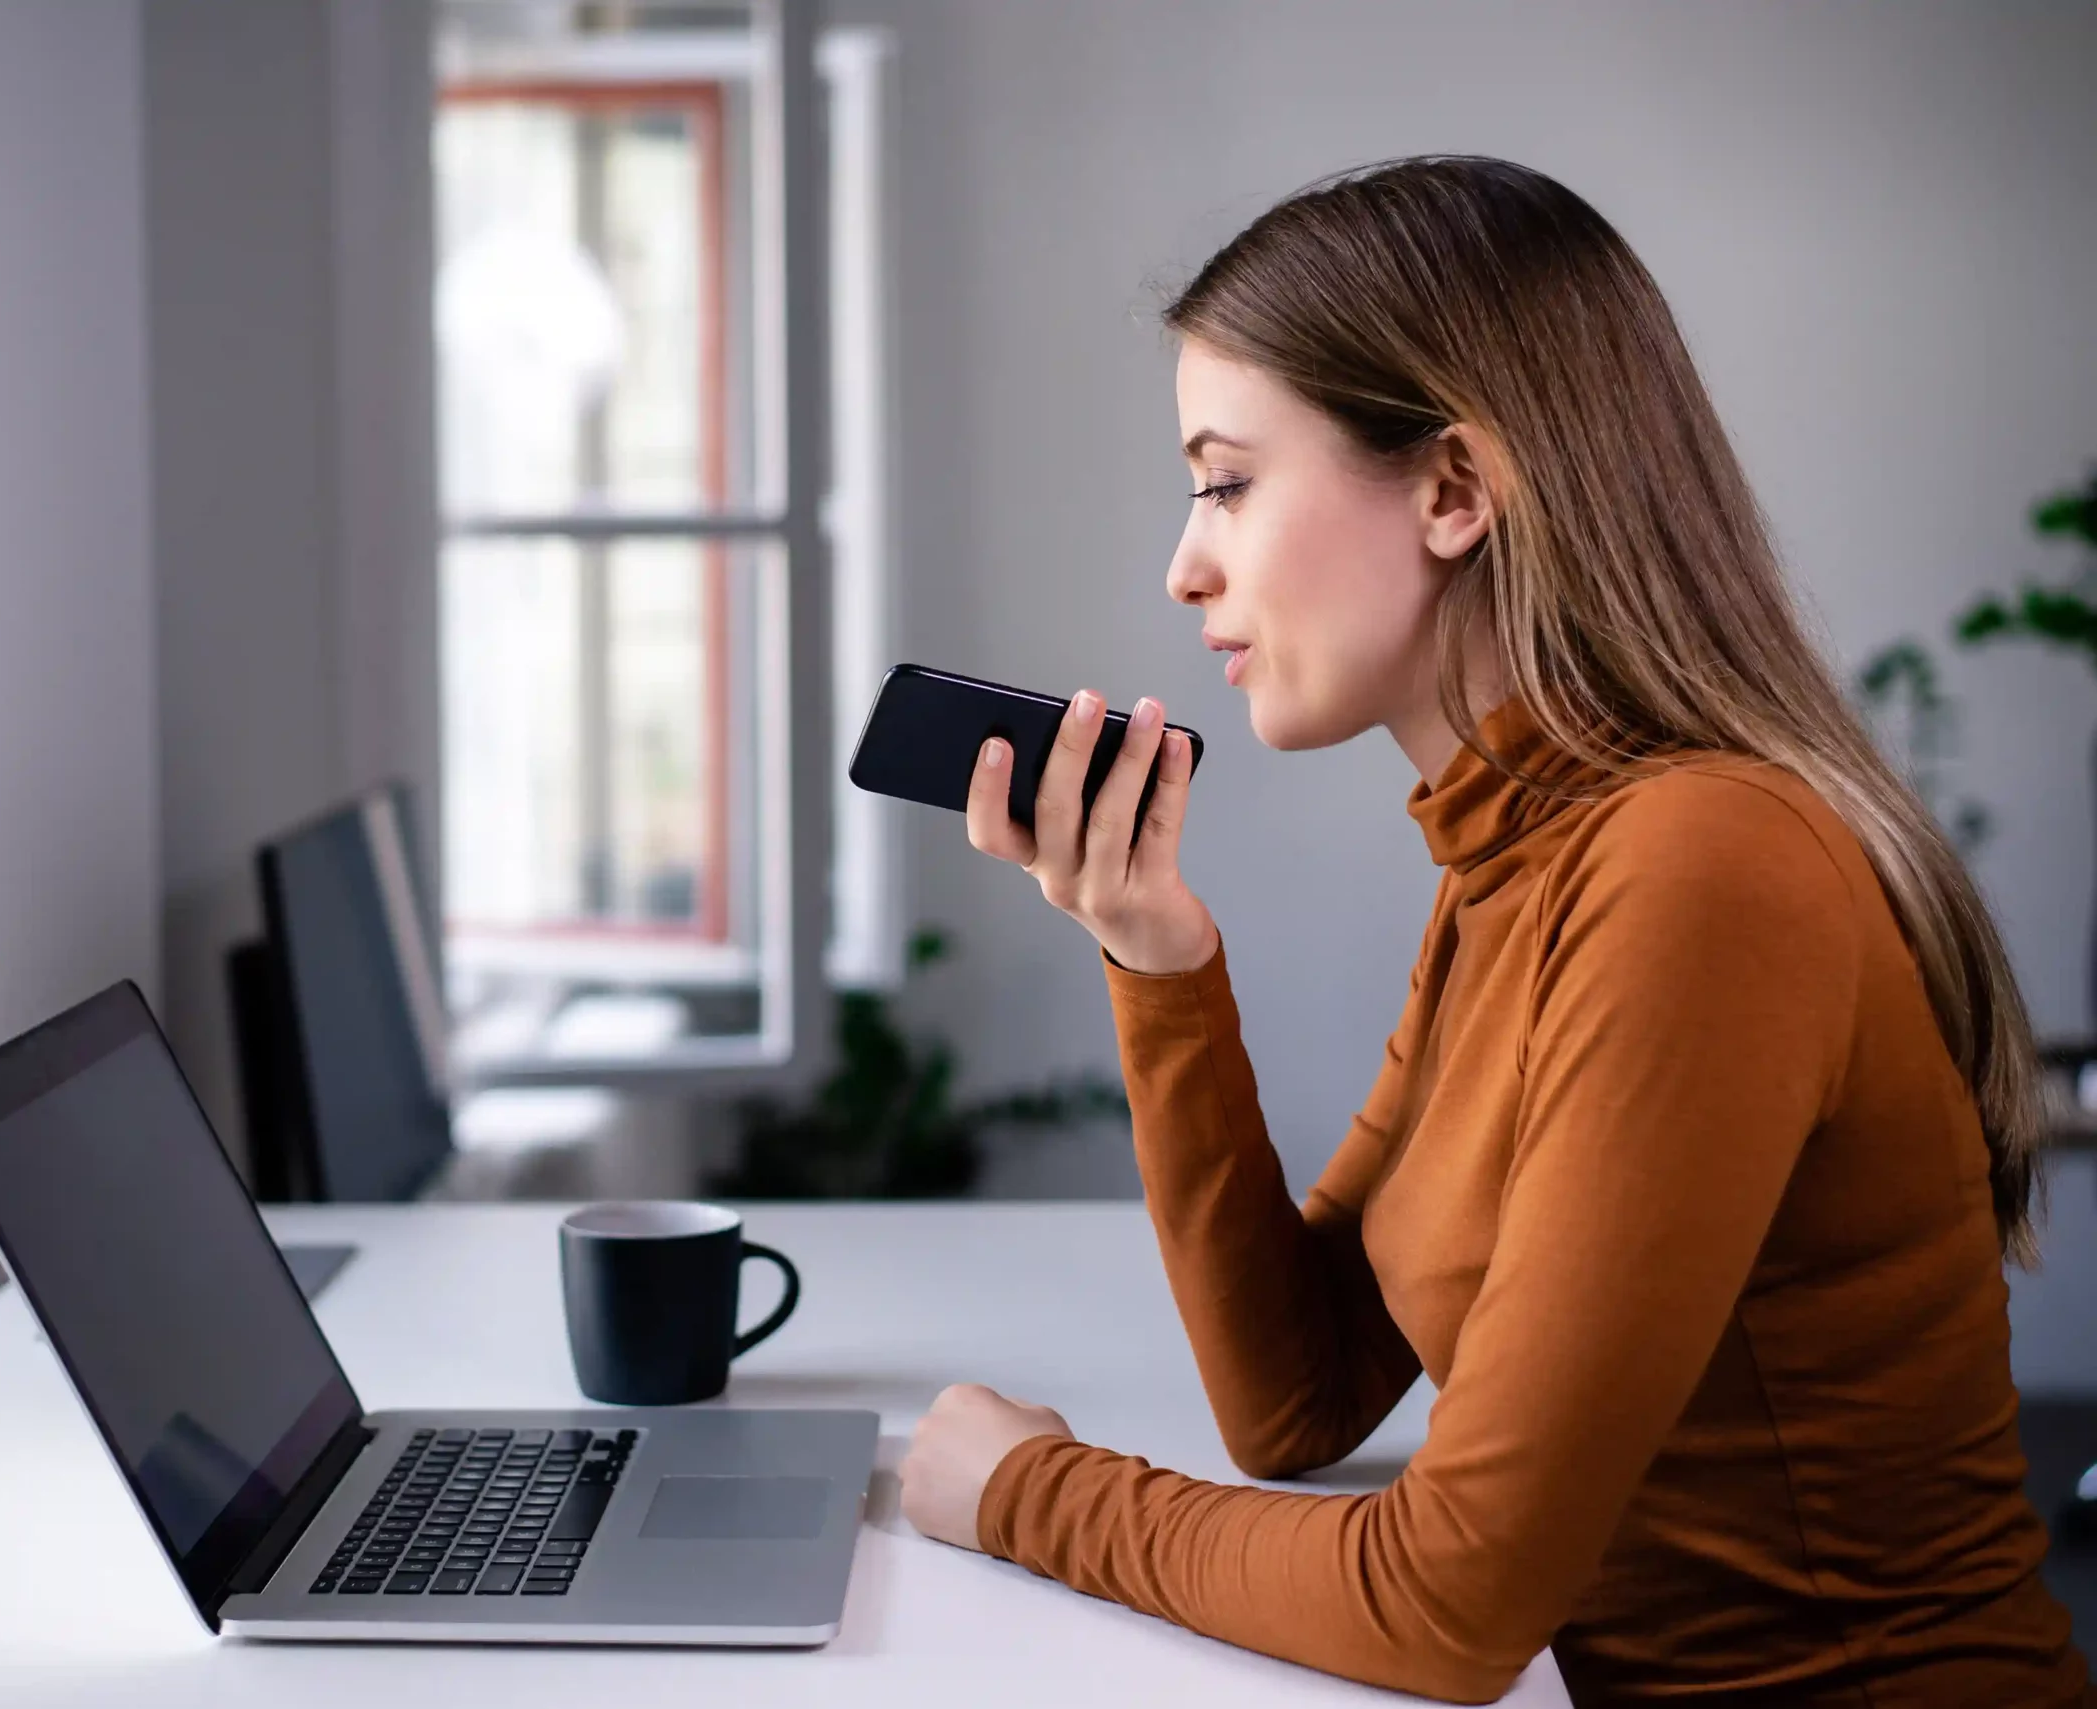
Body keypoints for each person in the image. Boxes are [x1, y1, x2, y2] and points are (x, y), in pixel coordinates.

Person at [895, 156, 2094, 1707]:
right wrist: (1154, 953)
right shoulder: (1515, 864)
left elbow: (1447, 1605)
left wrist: (1026, 1495)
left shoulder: (1696, 871)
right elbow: (1299, 1393)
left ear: (1455, 491)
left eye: (1228, 482)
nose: (1184, 565)